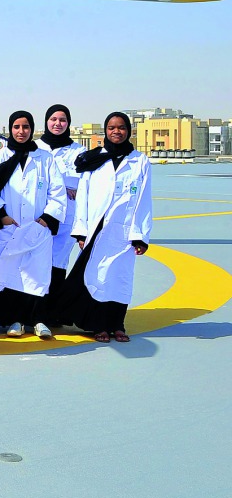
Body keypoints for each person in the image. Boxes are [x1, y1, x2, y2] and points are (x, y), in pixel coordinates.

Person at [56, 112, 152, 343]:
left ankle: (117, 324)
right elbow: (84, 196)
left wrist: (140, 235)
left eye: (120, 127)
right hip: (95, 228)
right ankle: (97, 324)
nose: (116, 132)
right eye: (111, 127)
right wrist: (80, 230)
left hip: (124, 231)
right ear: (105, 131)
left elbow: (144, 199)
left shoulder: (139, 161)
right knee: (96, 276)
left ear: (128, 131)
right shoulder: (93, 159)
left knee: (120, 278)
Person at [0, 111, 67, 339]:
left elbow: (56, 191)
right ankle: (14, 320)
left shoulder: (44, 158)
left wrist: (47, 218)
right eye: (16, 127)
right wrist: (2, 216)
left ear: (32, 129)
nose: (21, 131)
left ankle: (37, 320)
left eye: (25, 127)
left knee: (36, 275)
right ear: (10, 128)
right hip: (10, 227)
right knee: (10, 273)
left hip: (38, 228)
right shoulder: (0, 155)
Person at [36, 104, 86, 318]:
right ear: (46, 121)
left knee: (57, 263)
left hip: (67, 218)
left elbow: (85, 183)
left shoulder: (79, 152)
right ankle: (34, 311)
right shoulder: (35, 147)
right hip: (40, 216)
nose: (58, 124)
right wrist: (62, 186)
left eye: (62, 120)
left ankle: (53, 312)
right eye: (53, 119)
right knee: (36, 262)